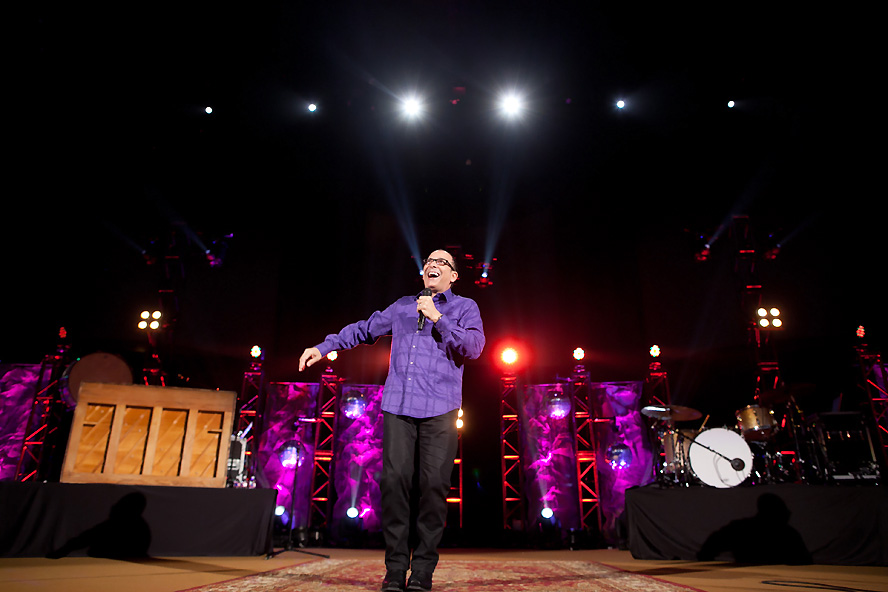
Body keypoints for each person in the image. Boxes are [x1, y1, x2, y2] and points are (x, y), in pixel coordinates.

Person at [299, 249, 485, 592]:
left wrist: (438, 319)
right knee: (394, 483)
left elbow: (474, 348)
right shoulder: (402, 306)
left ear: (454, 276)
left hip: (441, 407)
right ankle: (396, 570)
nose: (433, 265)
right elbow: (364, 329)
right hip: (399, 405)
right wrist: (324, 347)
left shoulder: (464, 307)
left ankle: (423, 571)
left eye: (442, 262)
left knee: (433, 488)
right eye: (429, 261)